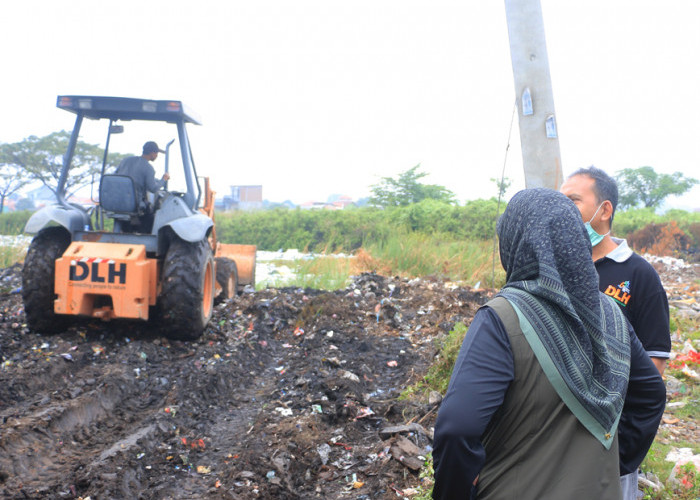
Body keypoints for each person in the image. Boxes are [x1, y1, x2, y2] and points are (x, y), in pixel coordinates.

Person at [432, 188, 665, 500]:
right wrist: (612, 462)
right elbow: (651, 393)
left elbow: (457, 428)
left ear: (515, 243)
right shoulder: (609, 313)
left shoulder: (503, 317)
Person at [561, 166, 671, 499]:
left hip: (610, 430)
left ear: (604, 210)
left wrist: (618, 428)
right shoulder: (558, 268)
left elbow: (655, 362)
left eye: (574, 201)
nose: (564, 209)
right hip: (559, 425)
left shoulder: (638, 275)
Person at [114, 141, 170, 232]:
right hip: (134, 204)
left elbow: (116, 176)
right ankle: (144, 235)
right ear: (152, 153)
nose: (156, 156)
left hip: (117, 201)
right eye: (156, 153)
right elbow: (153, 189)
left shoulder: (126, 160)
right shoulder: (148, 168)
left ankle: (126, 230)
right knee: (150, 215)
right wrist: (164, 179)